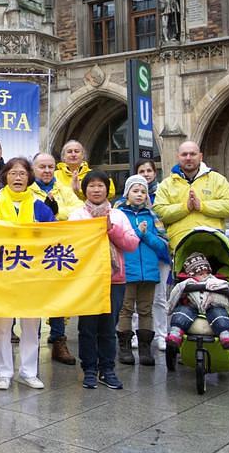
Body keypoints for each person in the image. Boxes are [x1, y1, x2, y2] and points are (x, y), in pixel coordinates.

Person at [0, 157, 58, 390]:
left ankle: (29, 371)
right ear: (5, 177)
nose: (18, 178)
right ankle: (3, 372)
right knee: (2, 326)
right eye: (13, 173)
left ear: (29, 178)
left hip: (31, 274)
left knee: (30, 325)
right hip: (1, 273)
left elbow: (54, 234)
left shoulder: (40, 206)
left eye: (22, 174)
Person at [68, 170, 139, 390]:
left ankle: (107, 369)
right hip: (87, 280)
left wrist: (111, 230)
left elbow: (131, 243)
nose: (96, 189)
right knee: (87, 327)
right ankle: (89, 369)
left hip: (114, 279)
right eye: (91, 186)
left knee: (109, 328)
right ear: (84, 189)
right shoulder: (77, 215)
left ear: (107, 189)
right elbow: (70, 244)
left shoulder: (118, 215)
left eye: (101, 185)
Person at [29, 152, 80, 365]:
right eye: (42, 167)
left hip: (57, 251)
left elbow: (77, 210)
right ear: (34, 169)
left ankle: (59, 339)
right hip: (32, 251)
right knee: (33, 297)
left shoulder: (64, 190)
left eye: (50, 167)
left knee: (58, 296)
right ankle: (32, 341)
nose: (47, 170)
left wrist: (55, 213)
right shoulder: (28, 190)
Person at [116, 175, 170, 367]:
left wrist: (145, 234)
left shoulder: (153, 216)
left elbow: (163, 246)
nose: (139, 195)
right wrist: (137, 232)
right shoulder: (119, 214)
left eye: (143, 191)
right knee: (126, 309)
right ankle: (125, 348)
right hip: (127, 271)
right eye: (135, 191)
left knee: (146, 310)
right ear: (127, 193)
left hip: (149, 271)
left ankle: (146, 350)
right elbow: (118, 239)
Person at [154, 141, 229, 251]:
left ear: (200, 156)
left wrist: (202, 206)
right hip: (180, 249)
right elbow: (158, 213)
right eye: (184, 154)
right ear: (178, 157)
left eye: (193, 154)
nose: (188, 158)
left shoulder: (217, 179)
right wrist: (185, 207)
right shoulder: (166, 184)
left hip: (213, 247)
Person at [132, 159, 170, 351]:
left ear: (155, 172)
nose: (146, 174)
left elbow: (164, 231)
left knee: (159, 298)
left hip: (160, 256)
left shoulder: (162, 195)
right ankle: (136, 334)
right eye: (141, 170)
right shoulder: (126, 203)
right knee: (137, 299)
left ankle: (162, 334)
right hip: (136, 256)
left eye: (149, 170)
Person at [165, 252, 229, 349]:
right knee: (182, 312)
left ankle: (225, 335)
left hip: (212, 306)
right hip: (191, 306)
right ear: (191, 275)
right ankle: (176, 333)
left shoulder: (216, 281)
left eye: (207, 273)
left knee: (219, 314)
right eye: (200, 274)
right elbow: (175, 295)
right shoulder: (187, 283)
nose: (205, 276)